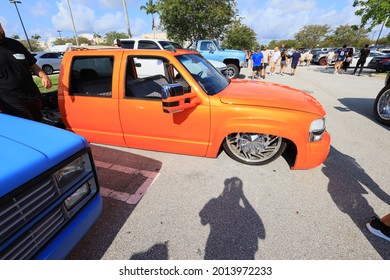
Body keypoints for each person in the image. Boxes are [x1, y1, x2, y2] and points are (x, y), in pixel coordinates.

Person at [0, 22, 52, 122]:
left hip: (32, 95)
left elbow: (34, 66)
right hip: (10, 99)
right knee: (28, 127)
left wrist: (44, 76)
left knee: (39, 123)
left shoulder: (15, 44)